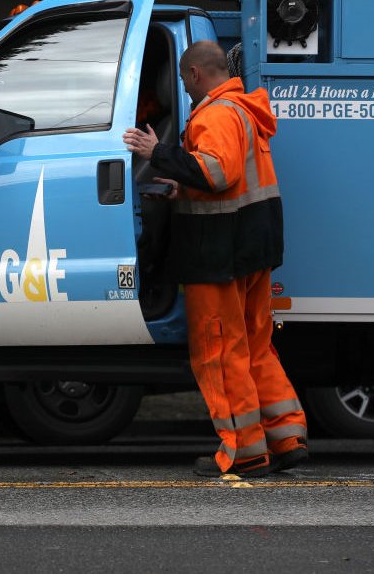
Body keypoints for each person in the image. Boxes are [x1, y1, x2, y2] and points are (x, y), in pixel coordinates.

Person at [122, 41, 308, 478]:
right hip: (249, 250)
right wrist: (180, 187)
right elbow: (225, 177)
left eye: (185, 82)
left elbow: (217, 173)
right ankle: (285, 436)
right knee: (254, 347)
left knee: (219, 352)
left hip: (218, 252)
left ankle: (244, 451)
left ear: (193, 75)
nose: (184, 92)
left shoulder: (216, 114)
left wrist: (158, 154)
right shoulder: (243, 110)